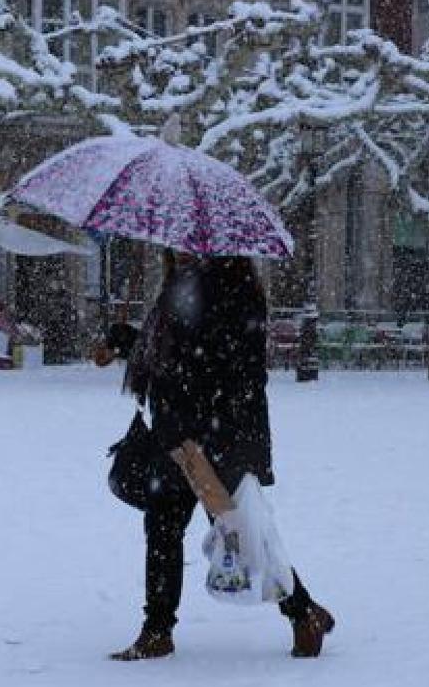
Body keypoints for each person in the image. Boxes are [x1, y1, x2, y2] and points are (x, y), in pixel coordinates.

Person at [110, 251, 334, 661]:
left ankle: (303, 612)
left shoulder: (233, 290)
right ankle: (157, 630)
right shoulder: (187, 284)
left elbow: (225, 367)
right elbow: (173, 351)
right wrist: (129, 341)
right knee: (164, 531)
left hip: (209, 444)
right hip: (179, 436)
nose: (180, 248)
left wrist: (171, 371)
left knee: (240, 536)